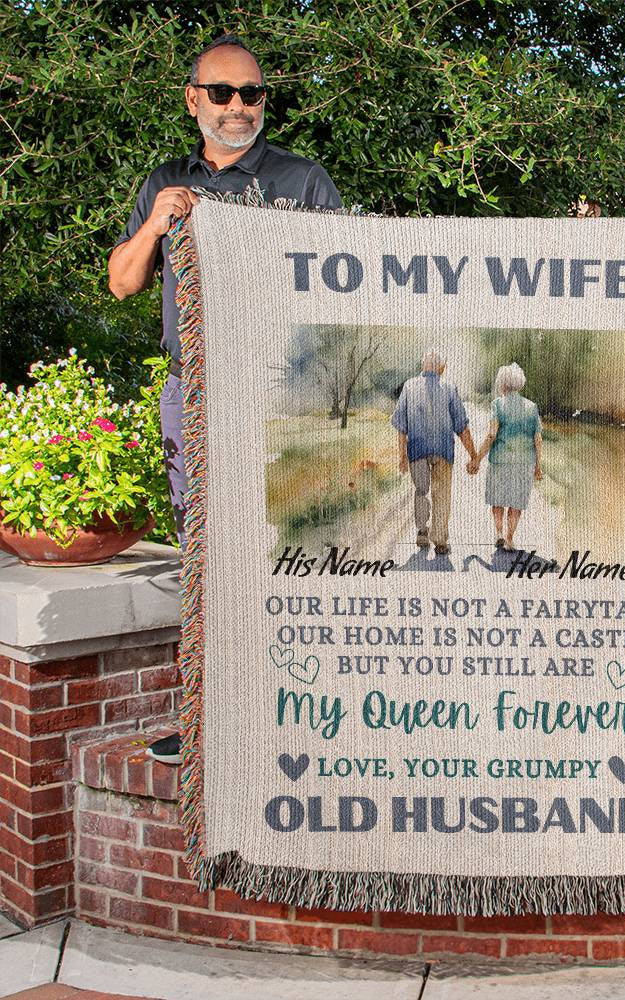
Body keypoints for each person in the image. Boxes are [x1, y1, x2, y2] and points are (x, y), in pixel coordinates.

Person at [109, 35, 342, 765]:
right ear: (193, 99)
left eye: (252, 94)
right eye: (223, 93)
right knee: (203, 559)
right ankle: (208, 724)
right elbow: (122, 283)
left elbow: (342, 288)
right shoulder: (165, 182)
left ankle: (296, 720)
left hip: (275, 395)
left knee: (286, 554)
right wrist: (156, 222)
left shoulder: (303, 182)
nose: (239, 107)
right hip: (195, 395)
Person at [391, 350, 478, 556]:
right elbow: (462, 427)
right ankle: (439, 540)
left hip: (417, 450)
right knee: (442, 494)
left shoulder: (409, 387)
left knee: (421, 490)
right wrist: (473, 455)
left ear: (423, 366)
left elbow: (401, 426)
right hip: (443, 451)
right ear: (441, 368)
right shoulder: (449, 389)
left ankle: (422, 531)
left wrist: (402, 457)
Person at [470, 363, 543, 551]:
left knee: (498, 500)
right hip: (524, 462)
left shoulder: (497, 404)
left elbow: (492, 434)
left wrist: (477, 458)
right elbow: (537, 439)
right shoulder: (532, 407)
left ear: (502, 384)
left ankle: (499, 533)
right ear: (520, 383)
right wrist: (538, 466)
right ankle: (510, 539)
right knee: (516, 503)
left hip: (500, 461)